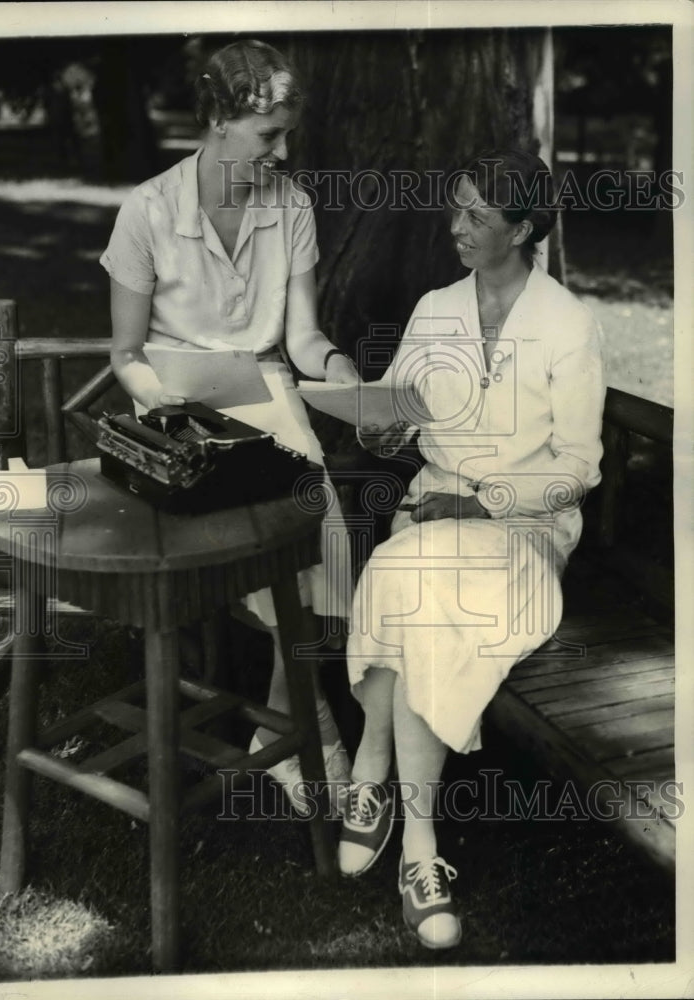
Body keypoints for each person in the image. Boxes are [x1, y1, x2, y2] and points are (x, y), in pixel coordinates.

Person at [340, 149, 605, 948]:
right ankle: (413, 838)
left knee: (411, 579)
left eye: (476, 216)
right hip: (430, 514)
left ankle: (377, 787)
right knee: (408, 567)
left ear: (522, 229)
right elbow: (404, 408)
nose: (454, 226)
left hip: (523, 533)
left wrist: (485, 498)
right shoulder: (434, 308)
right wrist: (381, 424)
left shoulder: (567, 324)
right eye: (454, 208)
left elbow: (579, 466)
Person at [99, 39, 357, 813]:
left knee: (323, 528)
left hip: (267, 393)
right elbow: (126, 354)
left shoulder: (293, 206)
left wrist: (337, 366)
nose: (281, 153)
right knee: (245, 527)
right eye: (267, 135)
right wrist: (169, 407)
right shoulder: (147, 209)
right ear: (214, 117)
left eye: (285, 135)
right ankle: (302, 726)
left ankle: (285, 718)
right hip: (176, 404)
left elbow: (302, 337)